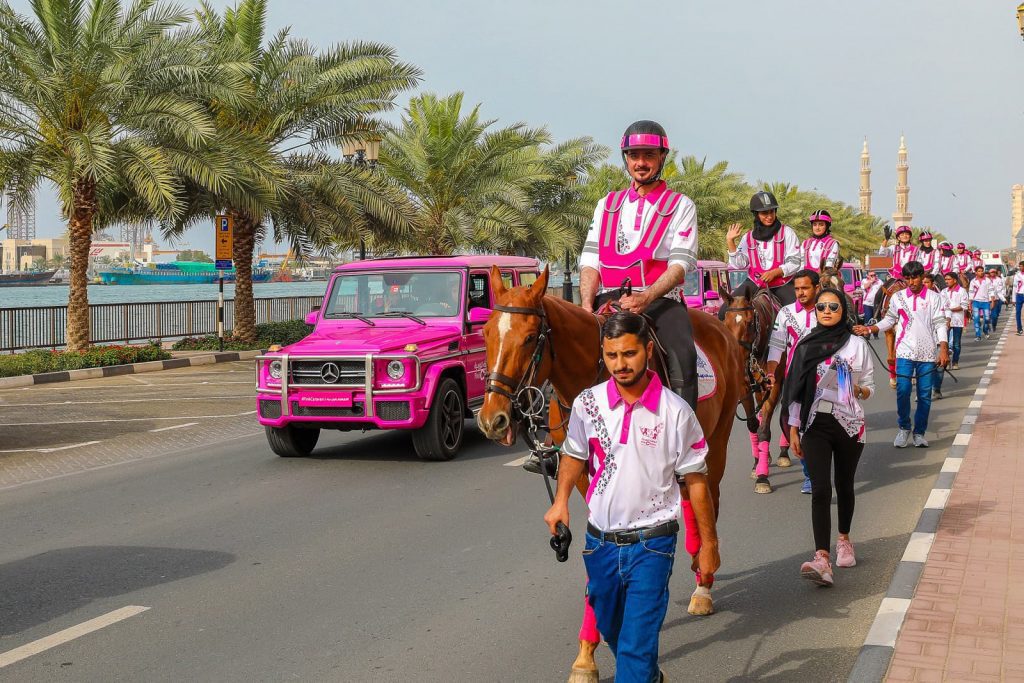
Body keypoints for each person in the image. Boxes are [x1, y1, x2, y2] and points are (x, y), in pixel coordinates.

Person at [544, 311, 719, 683]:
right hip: (600, 545)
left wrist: (708, 543)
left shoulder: (677, 412)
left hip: (653, 544)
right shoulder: (586, 404)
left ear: (648, 350)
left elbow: (697, 481)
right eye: (611, 356)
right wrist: (560, 501)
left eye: (629, 354)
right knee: (614, 632)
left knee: (635, 652)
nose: (620, 365)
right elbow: (574, 454)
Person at [579, 120, 700, 409]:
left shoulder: (681, 205)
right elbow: (590, 260)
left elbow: (681, 263)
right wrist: (585, 305)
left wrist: (646, 297)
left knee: (682, 355)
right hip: (606, 299)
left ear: (662, 158)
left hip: (660, 303)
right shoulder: (606, 203)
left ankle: (685, 435)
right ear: (626, 159)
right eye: (634, 156)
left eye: (648, 155)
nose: (641, 163)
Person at [786, 288, 874, 586]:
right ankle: (822, 557)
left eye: (832, 306)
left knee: (844, 485)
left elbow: (870, 387)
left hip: (849, 423)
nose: (826, 310)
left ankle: (844, 539)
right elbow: (796, 389)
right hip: (815, 423)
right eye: (821, 306)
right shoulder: (805, 345)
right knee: (821, 488)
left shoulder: (857, 344)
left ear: (843, 310)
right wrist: (793, 428)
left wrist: (855, 387)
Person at [854, 261, 949, 449]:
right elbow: (889, 320)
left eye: (915, 277)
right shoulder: (898, 297)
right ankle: (904, 428)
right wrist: (870, 328)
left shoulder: (934, 298)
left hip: (928, 353)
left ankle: (919, 433)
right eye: (908, 278)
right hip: (904, 352)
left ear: (922, 276)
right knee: (903, 392)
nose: (912, 281)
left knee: (924, 396)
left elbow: (939, 323)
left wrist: (943, 348)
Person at [764, 269, 820, 494]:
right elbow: (777, 345)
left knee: (820, 429)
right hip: (795, 379)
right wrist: (770, 372)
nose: (800, 293)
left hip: (824, 380)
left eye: (805, 288)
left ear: (817, 288)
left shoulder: (827, 309)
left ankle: (821, 468)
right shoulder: (785, 313)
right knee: (789, 423)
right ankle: (809, 473)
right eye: (797, 289)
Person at [726, 191, 802, 306]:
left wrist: (776, 272)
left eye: (772, 212)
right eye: (764, 213)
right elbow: (740, 264)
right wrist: (730, 242)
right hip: (754, 283)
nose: (770, 216)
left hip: (781, 284)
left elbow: (795, 262)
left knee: (799, 309)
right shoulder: (748, 237)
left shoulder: (787, 233)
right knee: (724, 311)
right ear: (756, 214)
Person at [940, 272, 967, 372]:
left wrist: (949, 310)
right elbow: (941, 305)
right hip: (945, 321)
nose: (946, 281)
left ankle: (955, 361)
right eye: (945, 279)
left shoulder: (962, 291)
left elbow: (963, 306)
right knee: (944, 342)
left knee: (956, 343)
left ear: (955, 280)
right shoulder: (943, 291)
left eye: (949, 279)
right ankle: (946, 361)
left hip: (957, 321)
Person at [799, 210, 841, 274]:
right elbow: (801, 265)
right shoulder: (805, 243)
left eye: (821, 225)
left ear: (827, 226)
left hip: (824, 278)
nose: (817, 228)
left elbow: (829, 265)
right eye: (814, 225)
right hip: (806, 278)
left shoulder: (833, 244)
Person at [968, 266, 994, 340]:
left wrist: (992, 301)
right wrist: (970, 303)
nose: (981, 272)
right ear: (976, 272)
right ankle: (978, 335)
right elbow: (971, 293)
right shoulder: (973, 281)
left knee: (987, 319)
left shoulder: (987, 280)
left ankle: (985, 330)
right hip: (976, 302)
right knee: (976, 319)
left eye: (982, 271)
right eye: (979, 271)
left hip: (985, 302)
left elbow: (991, 291)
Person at [860, 272, 882, 338]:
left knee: (876, 319)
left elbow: (882, 290)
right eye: (871, 275)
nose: (873, 276)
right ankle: (867, 334)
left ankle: (875, 334)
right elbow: (864, 287)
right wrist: (871, 281)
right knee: (868, 318)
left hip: (876, 304)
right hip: (867, 303)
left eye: (874, 275)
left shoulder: (879, 281)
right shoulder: (864, 281)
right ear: (867, 275)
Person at [988, 268, 1005, 332]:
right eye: (991, 272)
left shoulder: (999, 280)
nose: (992, 273)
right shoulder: (987, 280)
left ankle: (994, 325)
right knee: (989, 315)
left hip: (996, 299)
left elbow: (999, 290)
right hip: (987, 300)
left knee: (995, 315)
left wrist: (1003, 298)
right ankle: (987, 326)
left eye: (994, 272)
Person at [1013, 262, 1024, 336]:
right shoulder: (1017, 275)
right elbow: (1014, 287)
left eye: (1022, 266)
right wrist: (1013, 299)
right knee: (1018, 313)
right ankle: (1019, 329)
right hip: (1019, 295)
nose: (1020, 268)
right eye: (1019, 266)